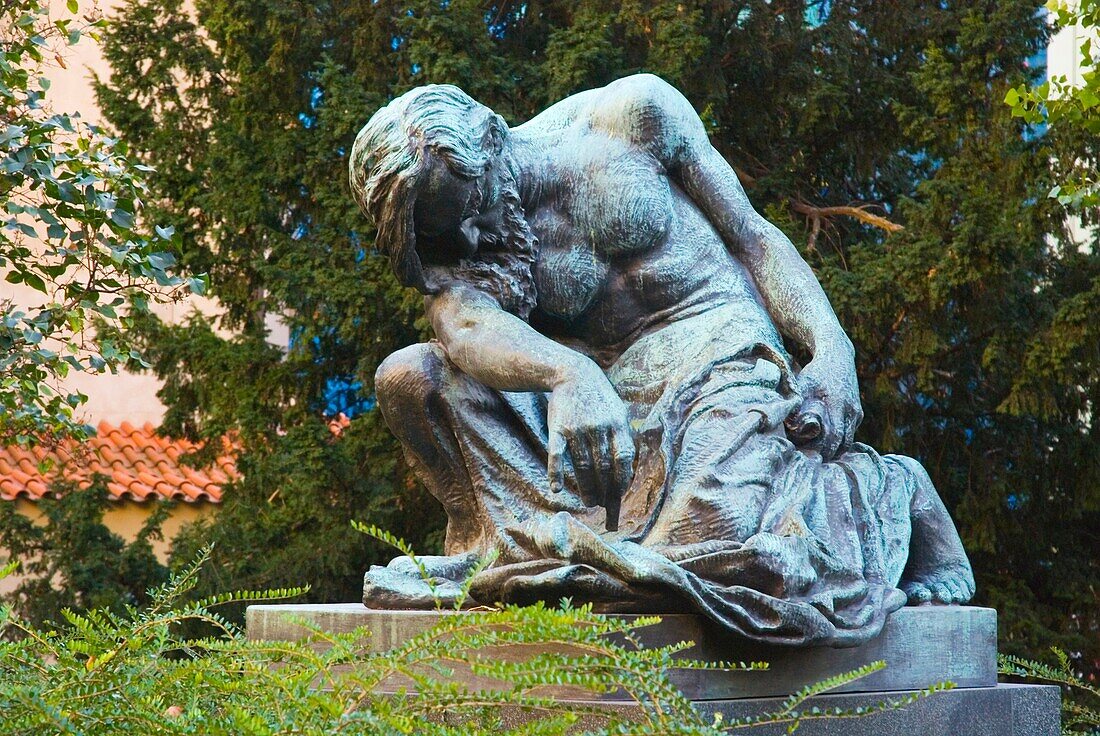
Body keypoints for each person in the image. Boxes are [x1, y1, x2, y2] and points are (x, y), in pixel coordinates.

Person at [349, 74, 975, 646]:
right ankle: (489, 544)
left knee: (719, 546)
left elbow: (752, 238)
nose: (465, 240)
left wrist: (832, 350)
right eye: (440, 233)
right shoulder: (459, 245)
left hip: (717, 355)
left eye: (465, 211)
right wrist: (569, 374)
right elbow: (463, 326)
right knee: (412, 377)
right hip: (599, 395)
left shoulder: (633, 116)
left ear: (489, 138)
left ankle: (896, 490)